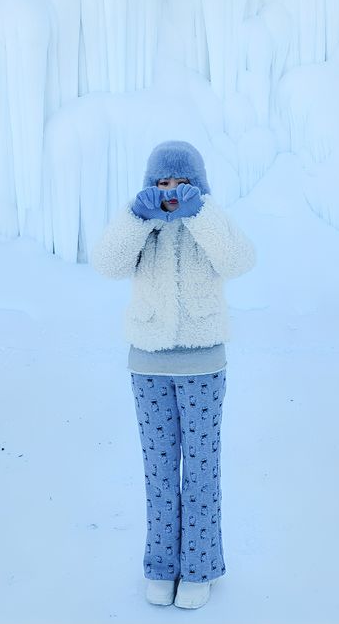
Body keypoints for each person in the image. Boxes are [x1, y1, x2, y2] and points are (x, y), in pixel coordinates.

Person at [90, 140, 256, 609]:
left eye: (181, 183)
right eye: (162, 183)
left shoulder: (210, 221)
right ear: (149, 186)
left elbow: (241, 260)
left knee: (201, 470)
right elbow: (106, 264)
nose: (171, 191)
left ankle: (200, 570)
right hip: (148, 363)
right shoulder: (143, 227)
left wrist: (200, 213)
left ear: (197, 185)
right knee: (159, 471)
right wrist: (134, 217)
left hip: (203, 363)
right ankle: (161, 568)